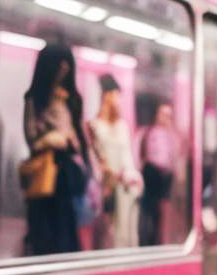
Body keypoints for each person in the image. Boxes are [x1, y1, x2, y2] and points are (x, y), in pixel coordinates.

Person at [22, 41, 90, 256]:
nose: (64, 70)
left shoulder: (70, 100)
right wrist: (52, 139)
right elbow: (31, 138)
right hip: (46, 172)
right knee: (46, 234)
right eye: (59, 66)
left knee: (67, 232)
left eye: (67, 66)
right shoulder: (36, 100)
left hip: (68, 173)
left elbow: (77, 137)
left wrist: (74, 143)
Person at [89, 74, 143, 249]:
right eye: (115, 95)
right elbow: (94, 159)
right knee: (106, 234)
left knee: (125, 232)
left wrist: (130, 175)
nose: (117, 100)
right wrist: (105, 176)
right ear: (106, 95)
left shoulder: (121, 126)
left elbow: (127, 156)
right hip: (104, 187)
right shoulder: (93, 125)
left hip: (123, 186)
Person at [139, 101, 181, 245]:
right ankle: (147, 241)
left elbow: (176, 155)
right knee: (148, 210)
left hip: (166, 175)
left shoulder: (173, 135)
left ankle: (161, 240)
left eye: (168, 115)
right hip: (151, 172)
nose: (165, 117)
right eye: (163, 114)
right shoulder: (147, 132)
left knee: (163, 211)